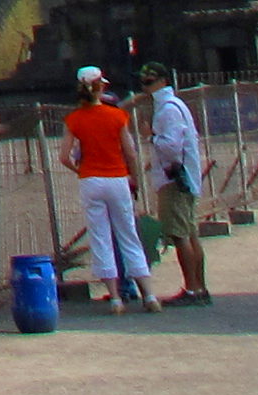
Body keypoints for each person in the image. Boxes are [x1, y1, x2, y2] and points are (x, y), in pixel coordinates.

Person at [61, 65, 158, 314]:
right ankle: (148, 295)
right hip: (117, 178)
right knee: (128, 235)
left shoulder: (74, 119)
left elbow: (64, 156)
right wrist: (135, 178)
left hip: (91, 180)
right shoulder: (116, 116)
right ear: (101, 86)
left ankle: (115, 298)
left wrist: (80, 171)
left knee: (101, 237)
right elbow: (131, 153)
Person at [139, 67, 211, 304]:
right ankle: (199, 288)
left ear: (162, 81)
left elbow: (170, 146)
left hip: (174, 180)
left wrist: (150, 136)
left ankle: (192, 289)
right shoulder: (175, 105)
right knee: (190, 234)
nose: (145, 84)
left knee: (180, 236)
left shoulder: (168, 110)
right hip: (184, 178)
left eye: (150, 80)